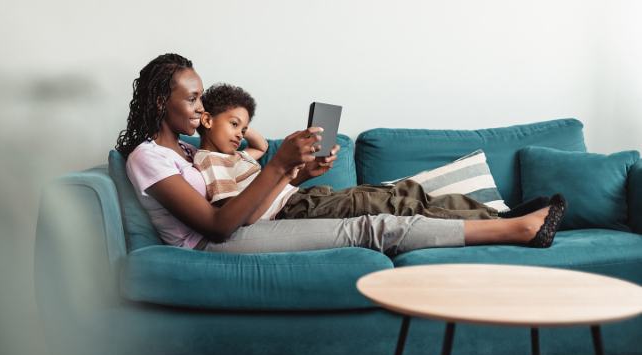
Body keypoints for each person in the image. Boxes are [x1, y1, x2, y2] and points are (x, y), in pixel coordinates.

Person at [116, 53, 566, 255]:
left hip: (249, 225)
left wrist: (295, 172)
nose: (200, 108)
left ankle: (507, 222)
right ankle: (514, 229)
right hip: (213, 246)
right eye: (193, 99)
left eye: (200, 99)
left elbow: (248, 203)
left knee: (391, 204)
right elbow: (218, 225)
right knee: (376, 225)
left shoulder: (190, 150)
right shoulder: (148, 157)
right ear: (160, 102)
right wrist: (278, 162)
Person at [191, 83, 553, 223]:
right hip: (294, 210)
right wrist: (221, 121)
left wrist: (237, 118)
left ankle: (495, 212)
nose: (240, 135)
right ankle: (500, 222)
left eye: (242, 127)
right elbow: (234, 212)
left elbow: (260, 146)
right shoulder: (209, 160)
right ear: (205, 119)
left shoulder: (239, 156)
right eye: (233, 125)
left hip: (306, 197)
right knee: (391, 205)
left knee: (404, 192)